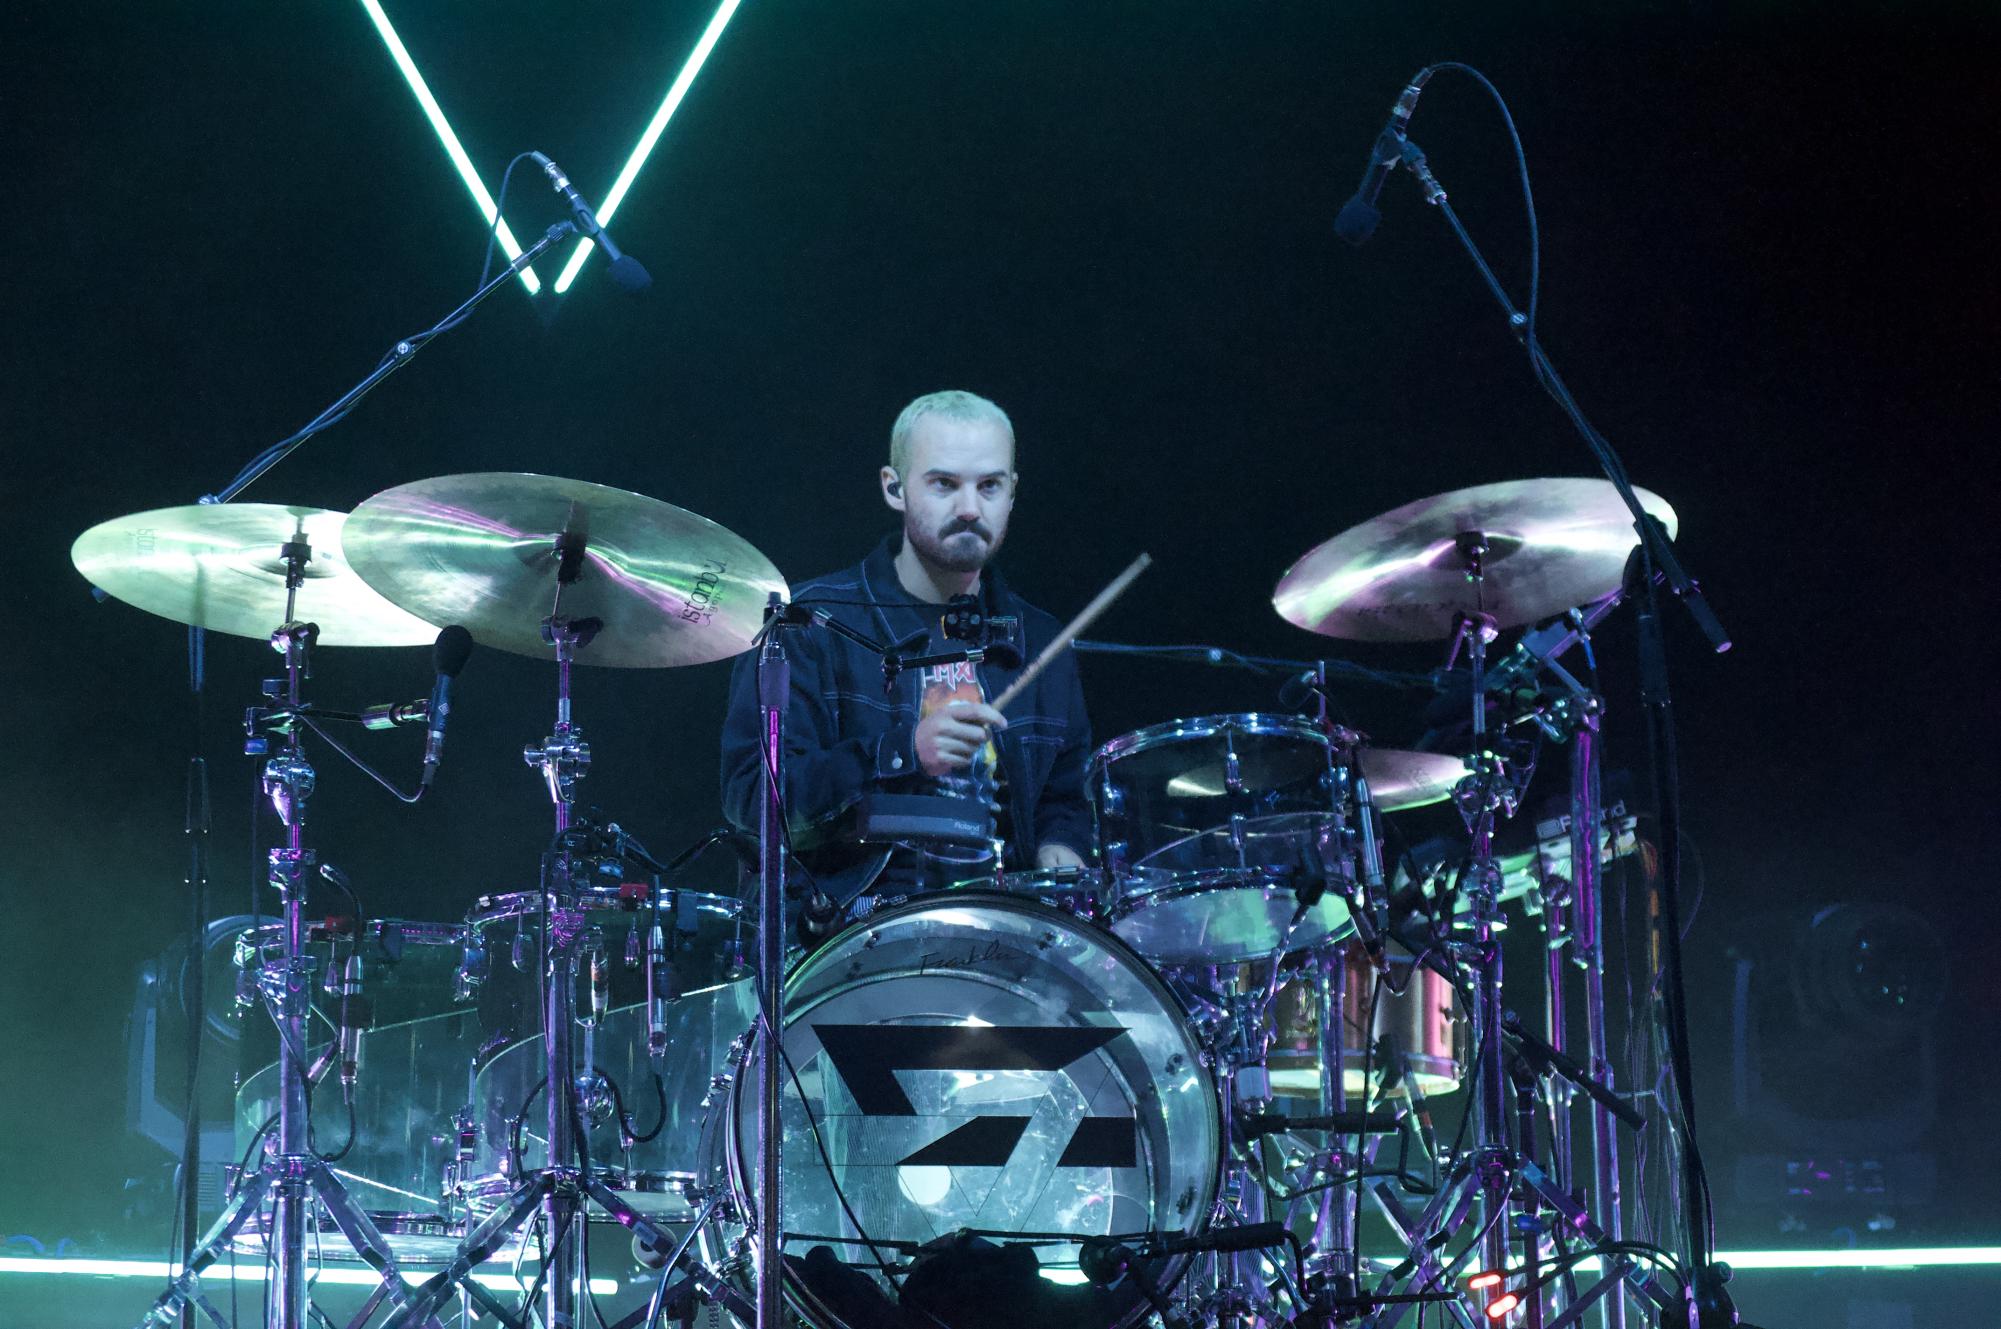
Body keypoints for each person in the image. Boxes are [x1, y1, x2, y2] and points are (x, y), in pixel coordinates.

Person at [719, 390, 1093, 905]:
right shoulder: (807, 624)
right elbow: (751, 800)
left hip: (1008, 938)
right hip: (846, 934)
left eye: (989, 486)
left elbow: (1066, 800)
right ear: (894, 489)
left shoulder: (1039, 639)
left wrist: (1062, 847)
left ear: (1012, 494)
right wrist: (903, 752)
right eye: (944, 483)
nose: (969, 508)